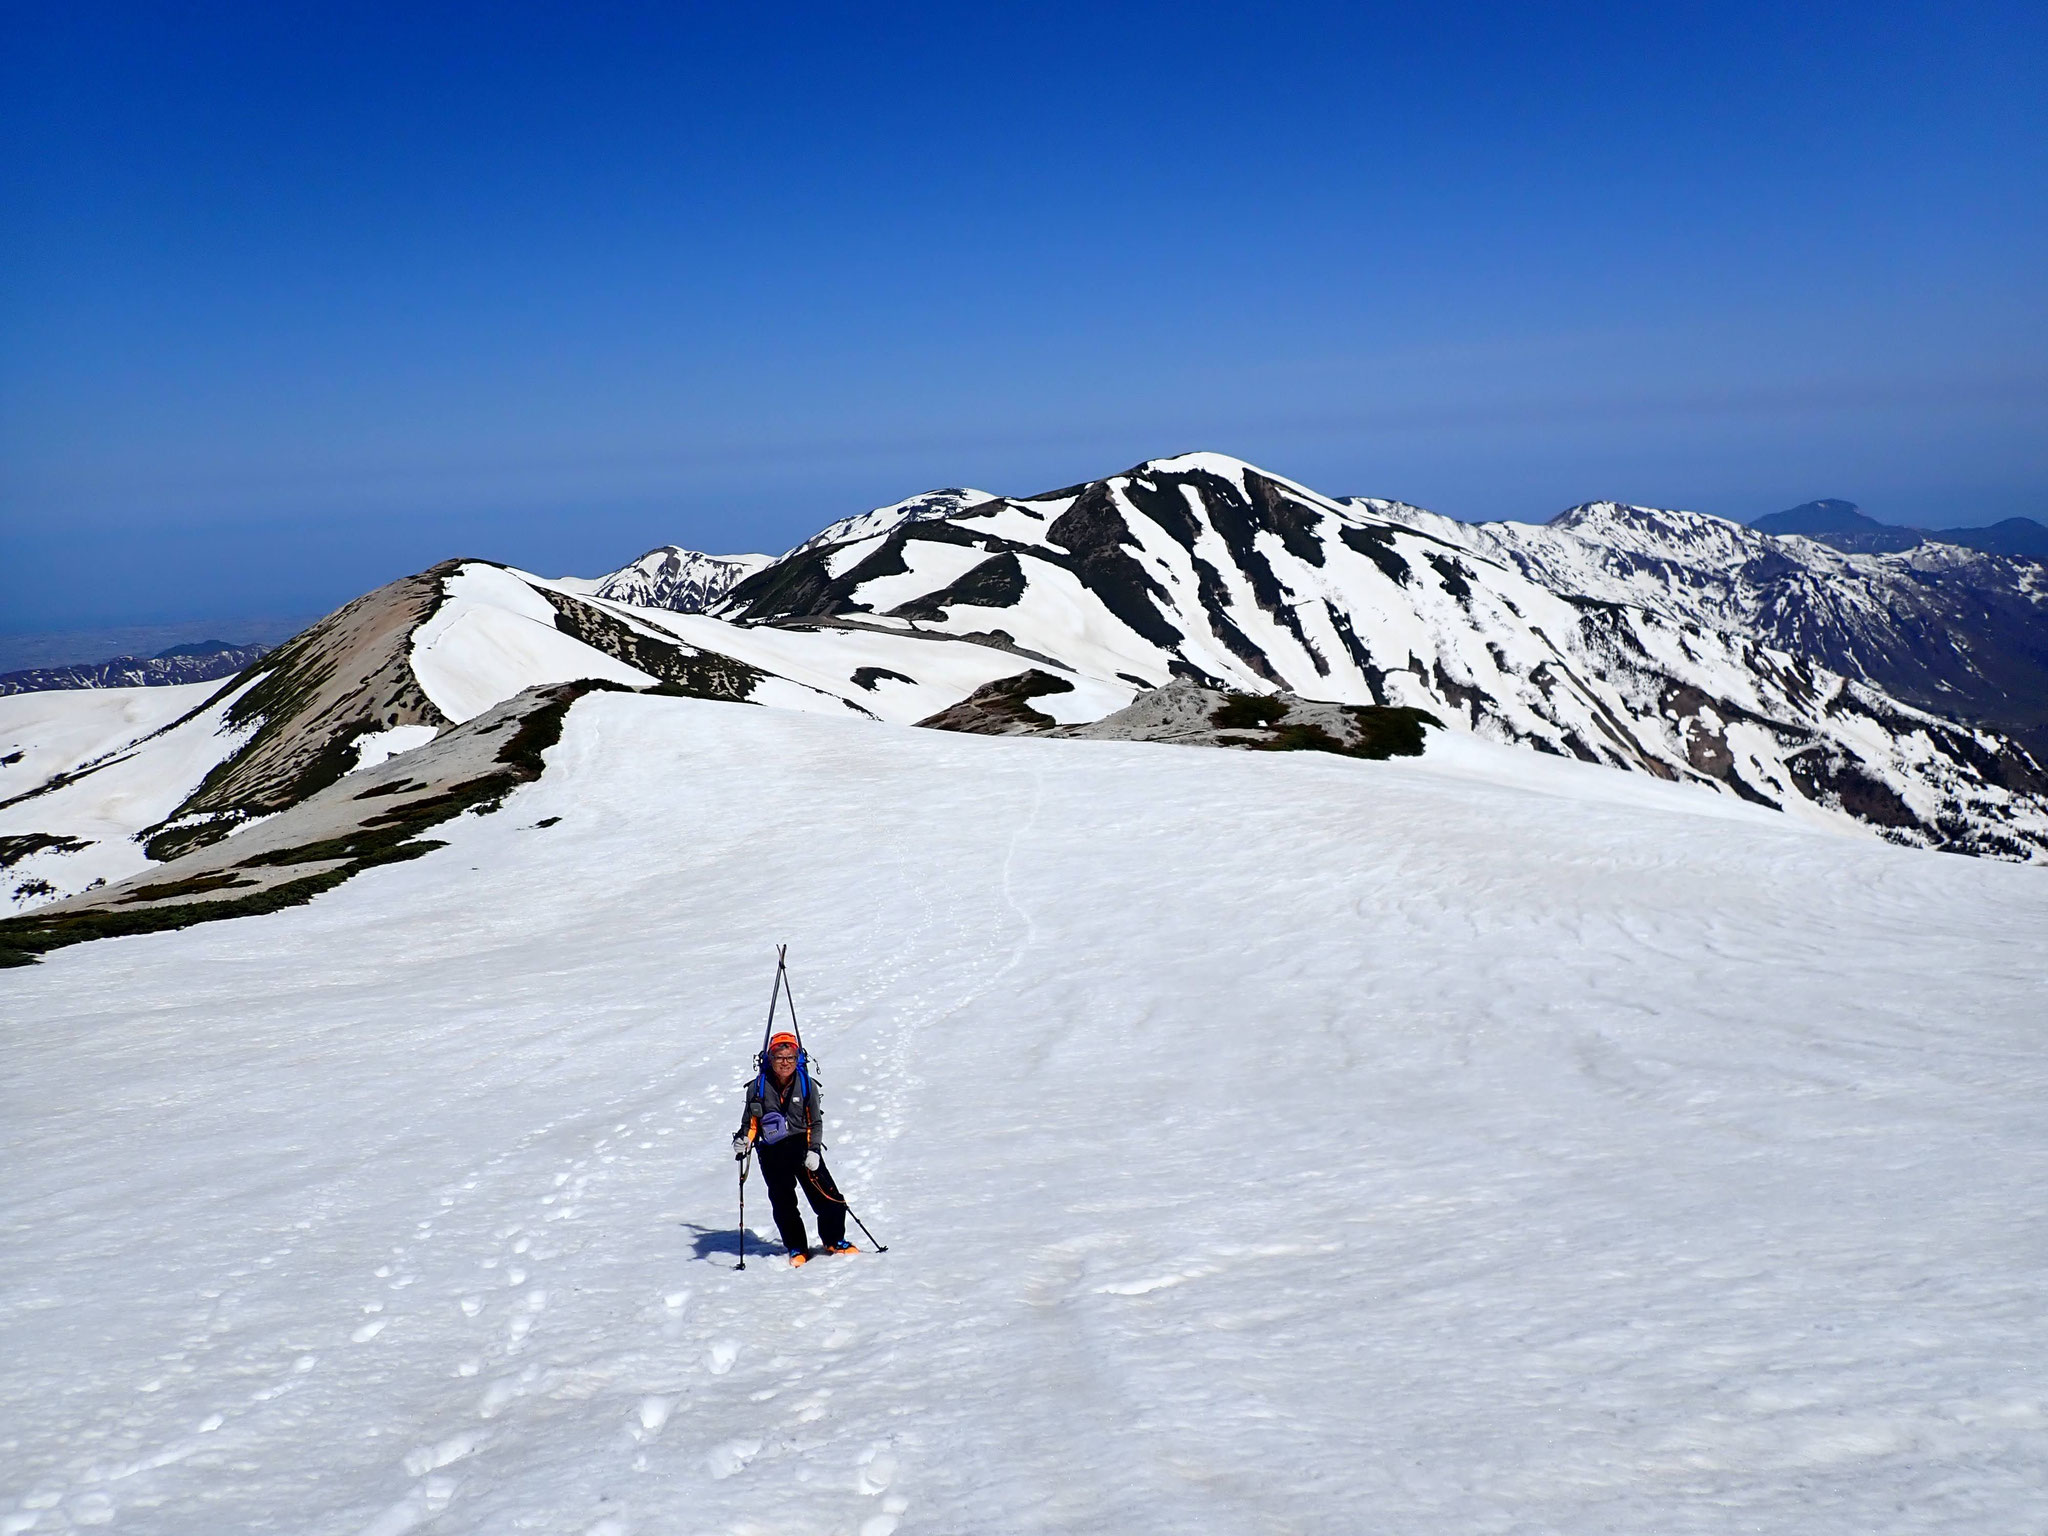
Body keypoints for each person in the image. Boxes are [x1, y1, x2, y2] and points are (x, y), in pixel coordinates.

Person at [732, 1031, 854, 1265]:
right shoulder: (757, 1088)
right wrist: (744, 1141)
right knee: (783, 1202)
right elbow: (750, 1124)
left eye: (790, 1057)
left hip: (802, 1146)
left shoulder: (807, 1085)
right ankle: (797, 1247)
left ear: (797, 1058)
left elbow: (815, 1121)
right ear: (770, 1059)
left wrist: (814, 1150)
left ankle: (834, 1240)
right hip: (771, 1151)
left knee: (827, 1196)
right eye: (779, 1057)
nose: (785, 1062)